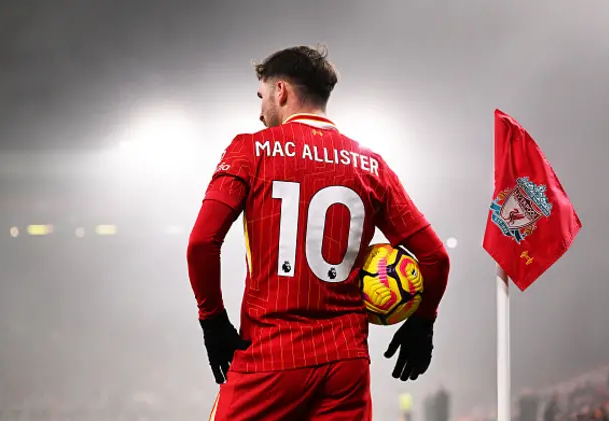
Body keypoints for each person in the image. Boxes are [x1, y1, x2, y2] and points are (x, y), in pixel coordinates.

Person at [187, 45, 450, 421]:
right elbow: (435, 258)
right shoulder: (371, 165)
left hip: (270, 357)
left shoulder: (251, 150)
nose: (259, 112)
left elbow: (201, 243)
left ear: (281, 91)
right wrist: (424, 321)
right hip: (346, 366)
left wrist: (212, 320)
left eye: (261, 97)